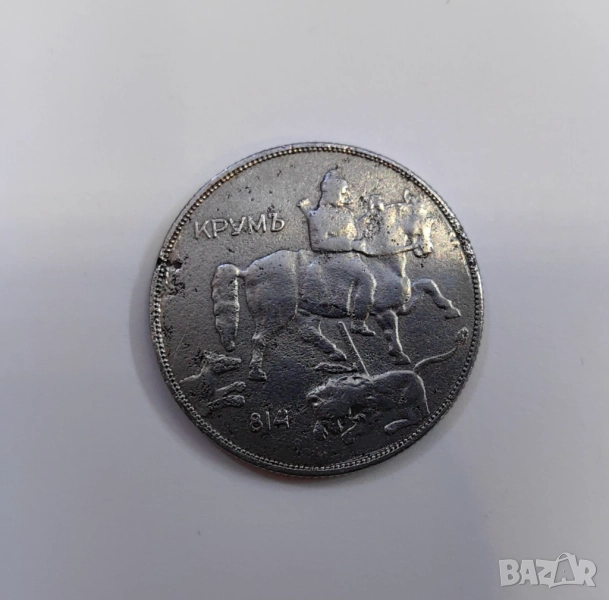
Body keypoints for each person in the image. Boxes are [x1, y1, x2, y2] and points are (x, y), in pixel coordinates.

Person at [298, 170, 375, 336]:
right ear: (333, 192)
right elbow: (318, 243)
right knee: (366, 278)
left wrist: (368, 218)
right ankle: (358, 322)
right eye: (344, 192)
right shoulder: (319, 215)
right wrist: (351, 244)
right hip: (331, 259)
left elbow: (352, 231)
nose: (347, 195)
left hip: (349, 257)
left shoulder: (346, 213)